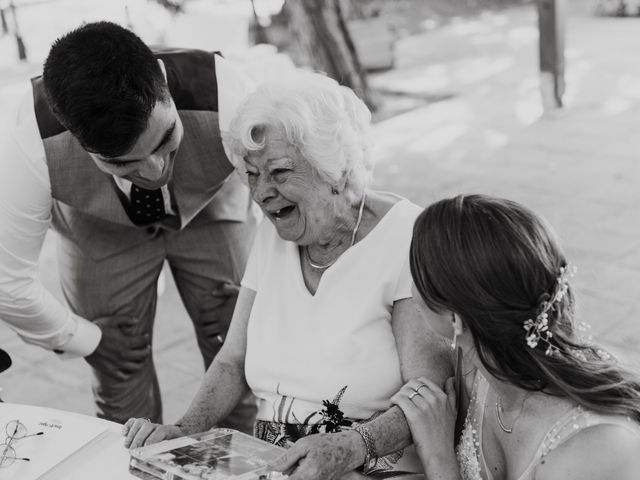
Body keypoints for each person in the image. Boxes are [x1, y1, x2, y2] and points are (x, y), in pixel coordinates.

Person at [123, 71, 452, 479]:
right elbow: (232, 361)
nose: (261, 193)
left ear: (336, 169)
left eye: (278, 173)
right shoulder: (274, 234)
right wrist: (184, 431)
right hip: (275, 467)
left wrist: (350, 447)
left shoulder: (408, 237)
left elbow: (429, 395)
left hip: (376, 467)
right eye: (252, 174)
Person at [0, 21, 258, 430]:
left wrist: (255, 302)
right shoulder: (23, 136)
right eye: (121, 162)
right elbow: (7, 283)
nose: (154, 170)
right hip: (95, 227)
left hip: (211, 207)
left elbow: (293, 210)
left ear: (162, 82)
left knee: (242, 350)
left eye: (165, 137)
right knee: (119, 375)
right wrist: (86, 339)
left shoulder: (230, 96)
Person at [392, 194, 640, 480]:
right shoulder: (476, 364)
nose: (410, 288)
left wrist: (438, 458)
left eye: (418, 277)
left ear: (454, 320)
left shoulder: (592, 452)